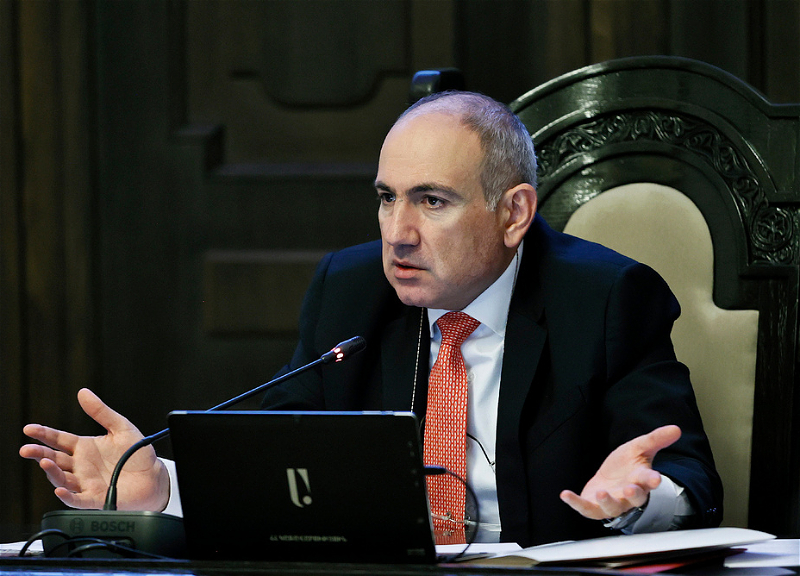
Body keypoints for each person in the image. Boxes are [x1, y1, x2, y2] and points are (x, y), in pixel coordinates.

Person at [20, 91, 722, 547]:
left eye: (432, 201)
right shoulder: (351, 290)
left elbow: (688, 476)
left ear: (513, 214)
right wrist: (163, 486)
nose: (398, 234)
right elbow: (278, 453)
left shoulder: (605, 299)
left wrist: (641, 496)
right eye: (387, 198)